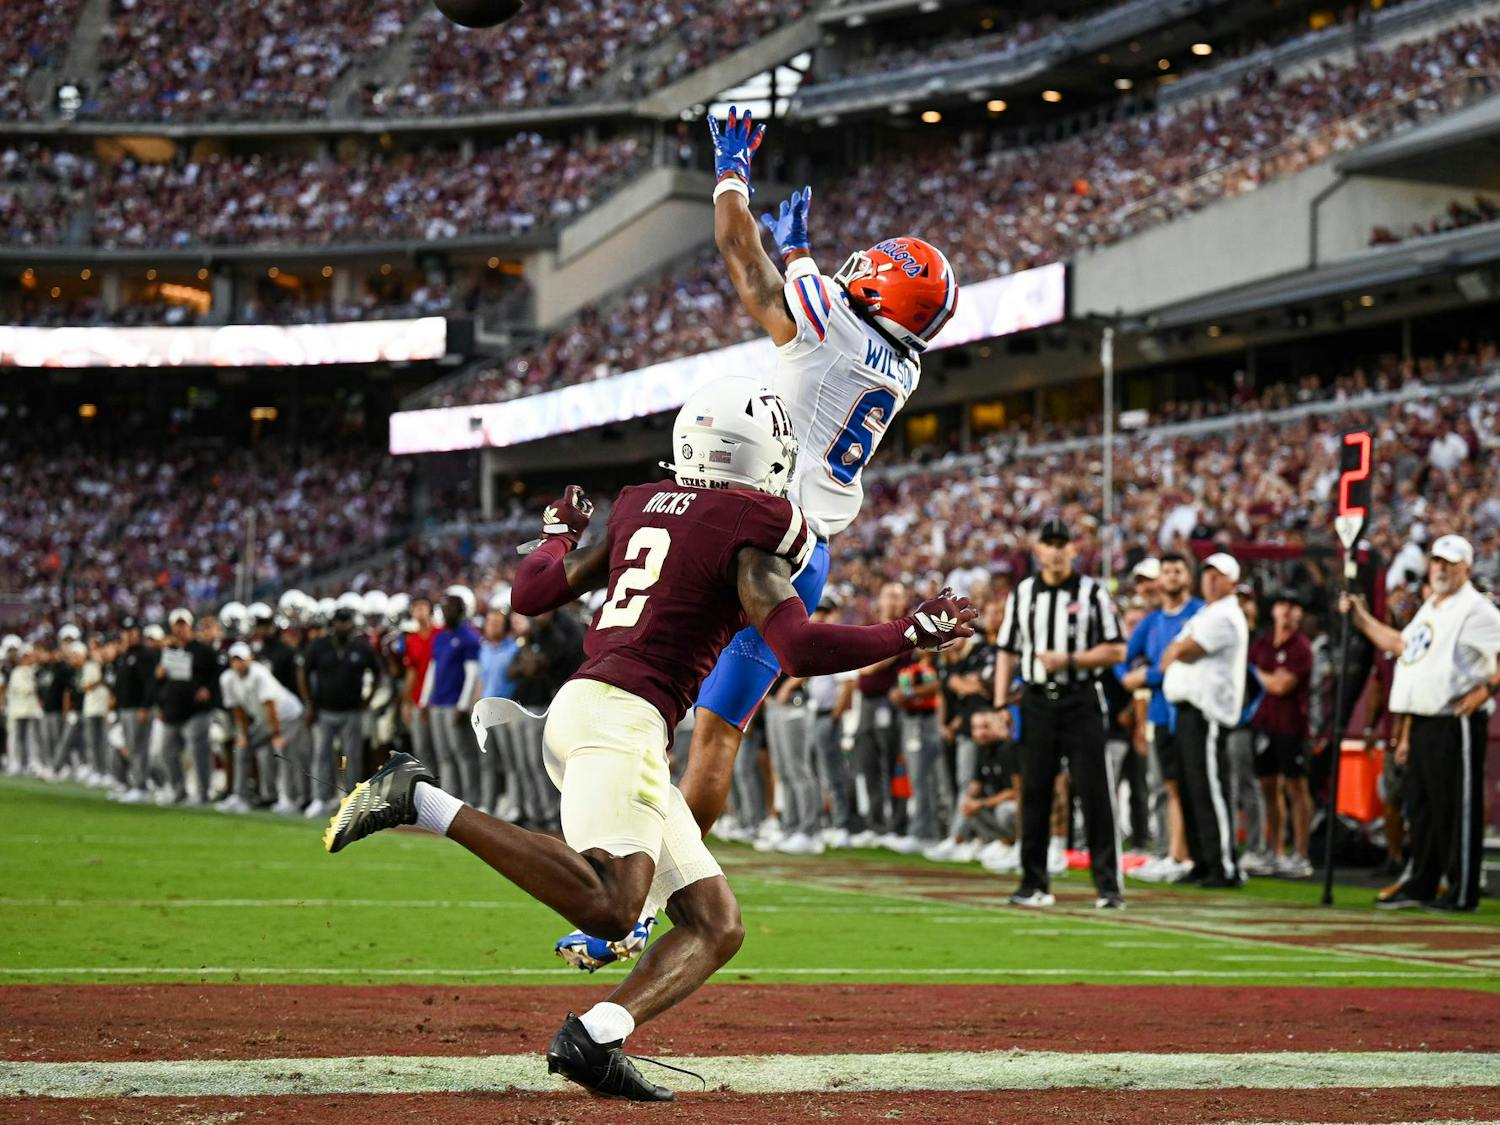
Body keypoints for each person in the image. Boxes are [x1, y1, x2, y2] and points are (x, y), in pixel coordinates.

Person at [322, 377, 975, 1101]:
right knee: (611, 905)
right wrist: (906, 632)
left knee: (714, 921)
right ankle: (418, 799)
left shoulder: (639, 503)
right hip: (622, 718)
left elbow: (532, 593)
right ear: (761, 452)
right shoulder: (754, 522)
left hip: (597, 706)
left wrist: (556, 533)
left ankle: (596, 1035)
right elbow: (798, 648)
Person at [1341, 535, 1500, 911]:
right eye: (1437, 562)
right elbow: (1401, 647)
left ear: (1467, 567)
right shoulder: (1433, 606)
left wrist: (1488, 689)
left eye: (1450, 562)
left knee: (1454, 806)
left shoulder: (1476, 609)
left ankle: (1462, 890)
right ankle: (1423, 881)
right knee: (1423, 807)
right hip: (1425, 719)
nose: (1441, 568)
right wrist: (1360, 617)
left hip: (1454, 719)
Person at [995, 518, 1127, 908]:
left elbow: (1117, 650)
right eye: (1048, 544)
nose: (1054, 552)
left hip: (1081, 699)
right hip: (1035, 702)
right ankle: (1033, 883)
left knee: (1095, 793)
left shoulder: (1093, 593)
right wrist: (1002, 701)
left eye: (1061, 544)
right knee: (1034, 793)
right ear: (1038, 551)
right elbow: (1007, 649)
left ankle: (1108, 887)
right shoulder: (1023, 593)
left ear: (1074, 549)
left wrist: (1069, 659)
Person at [1161, 553, 1251, 889]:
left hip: (1208, 713)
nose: (1211, 580)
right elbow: (1174, 649)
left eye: (1219, 576)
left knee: (1209, 789)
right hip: (1188, 712)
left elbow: (1184, 650)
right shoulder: (1207, 612)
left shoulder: (1226, 614)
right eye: (1208, 574)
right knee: (1190, 788)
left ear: (1232, 582)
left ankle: (1224, 864)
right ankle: (1202, 860)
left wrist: (1176, 648)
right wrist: (1175, 648)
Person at [1119, 552, 1203, 882]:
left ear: (1188, 577)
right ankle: (1170, 852)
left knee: (1189, 785)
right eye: (1166, 571)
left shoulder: (1199, 614)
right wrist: (1131, 676)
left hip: (1192, 710)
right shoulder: (1152, 621)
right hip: (1159, 714)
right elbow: (1120, 655)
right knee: (1165, 785)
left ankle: (1185, 853)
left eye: (1177, 570)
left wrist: (1149, 676)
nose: (1171, 576)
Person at [1243, 591, 1315, 878]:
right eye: (1282, 605)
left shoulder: (1301, 647)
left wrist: (1257, 673)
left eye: (1293, 607)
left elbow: (1281, 686)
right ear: (1273, 610)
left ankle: (1301, 853)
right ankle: (1275, 851)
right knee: (1269, 788)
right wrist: (1264, 675)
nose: (1286, 612)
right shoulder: (1262, 643)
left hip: (1292, 726)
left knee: (1296, 789)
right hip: (1264, 725)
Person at [301, 605, 384, 813]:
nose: (343, 625)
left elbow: (377, 672)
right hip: (324, 709)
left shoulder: (361, 646)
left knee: (350, 756)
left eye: (346, 622)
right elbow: (302, 673)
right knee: (322, 754)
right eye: (340, 621)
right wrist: (310, 704)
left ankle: (350, 797)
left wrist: (368, 699)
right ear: (334, 623)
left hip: (351, 710)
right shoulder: (319, 646)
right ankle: (321, 798)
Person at [221, 641, 312, 815]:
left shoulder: (259, 674)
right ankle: (240, 797)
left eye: (241, 659)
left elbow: (271, 705)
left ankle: (290, 800)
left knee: (285, 753)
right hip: (265, 719)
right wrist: (244, 734)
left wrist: (276, 734)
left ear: (250, 659)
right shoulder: (227, 679)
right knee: (241, 748)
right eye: (234, 660)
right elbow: (238, 710)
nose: (238, 663)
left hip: (287, 716)